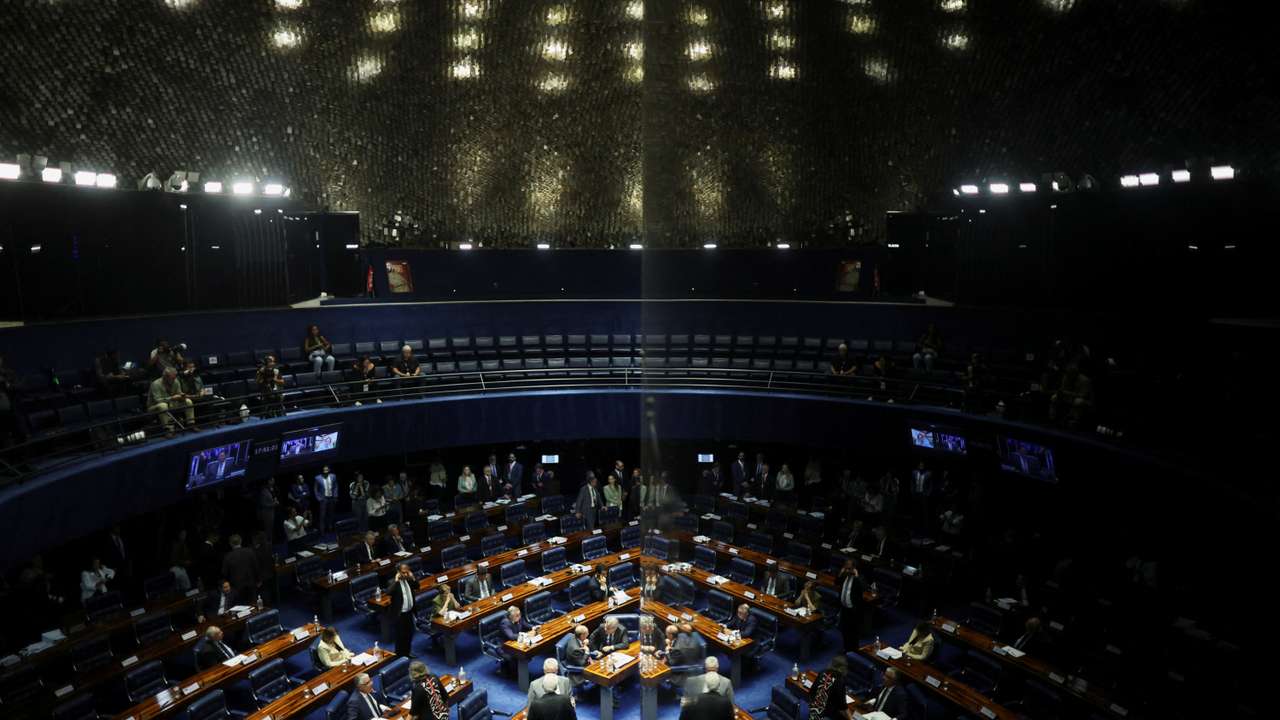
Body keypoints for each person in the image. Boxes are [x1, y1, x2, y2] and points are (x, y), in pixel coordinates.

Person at [148, 367, 195, 436]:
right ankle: (167, 430)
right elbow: (157, 400)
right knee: (163, 405)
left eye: (174, 377)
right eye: (172, 378)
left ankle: (191, 424)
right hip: (154, 406)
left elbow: (179, 393)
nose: (174, 379)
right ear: (165, 377)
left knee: (188, 401)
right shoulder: (155, 384)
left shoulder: (175, 381)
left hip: (172, 403)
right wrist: (172, 398)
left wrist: (181, 396)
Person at [386, 563, 417, 657]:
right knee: (400, 636)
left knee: (409, 633)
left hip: (409, 612)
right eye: (403, 573)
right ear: (398, 572)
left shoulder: (409, 580)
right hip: (399, 615)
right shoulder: (392, 582)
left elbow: (417, 586)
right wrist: (396, 580)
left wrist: (413, 577)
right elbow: (389, 592)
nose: (406, 575)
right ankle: (399, 655)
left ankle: (407, 652)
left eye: (407, 572)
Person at [221, 535, 260, 605]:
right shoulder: (250, 551)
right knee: (254, 607)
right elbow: (256, 567)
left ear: (230, 543)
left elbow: (224, 574)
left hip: (236, 587)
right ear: (241, 541)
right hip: (251, 584)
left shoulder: (227, 557)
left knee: (240, 610)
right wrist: (258, 580)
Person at [807, 655, 848, 720]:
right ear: (843, 668)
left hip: (813, 712)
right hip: (825, 716)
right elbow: (842, 707)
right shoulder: (839, 681)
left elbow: (811, 692)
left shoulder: (823, 672)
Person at [838, 559, 866, 653]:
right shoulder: (844, 576)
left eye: (849, 568)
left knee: (853, 632)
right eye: (846, 567)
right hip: (844, 608)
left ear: (854, 568)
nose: (847, 570)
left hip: (854, 611)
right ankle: (846, 648)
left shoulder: (859, 578)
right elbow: (836, 582)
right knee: (844, 630)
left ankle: (854, 651)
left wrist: (856, 576)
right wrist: (841, 573)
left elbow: (862, 588)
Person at [314, 465, 339, 533]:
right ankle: (322, 530)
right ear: (322, 471)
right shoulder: (317, 478)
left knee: (331, 514)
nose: (326, 471)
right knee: (322, 515)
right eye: (324, 470)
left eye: (327, 470)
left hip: (331, 498)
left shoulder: (333, 476)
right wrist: (319, 498)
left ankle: (330, 528)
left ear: (329, 470)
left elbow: (335, 486)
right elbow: (316, 489)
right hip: (323, 499)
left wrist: (335, 496)